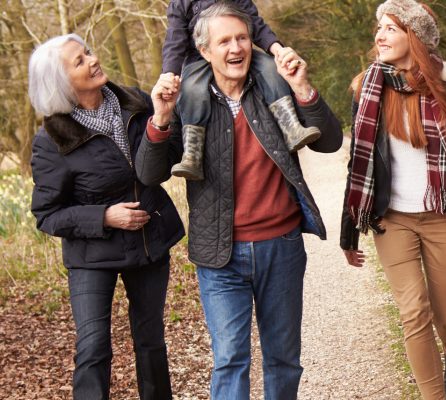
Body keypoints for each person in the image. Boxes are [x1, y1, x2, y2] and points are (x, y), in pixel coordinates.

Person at [135, 3, 343, 398]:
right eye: (225, 41)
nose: (236, 48)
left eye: (242, 38)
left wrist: (301, 87)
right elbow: (149, 174)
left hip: (280, 247)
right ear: (205, 51)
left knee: (283, 358)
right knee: (230, 359)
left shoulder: (271, 84)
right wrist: (160, 117)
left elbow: (330, 142)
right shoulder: (187, 100)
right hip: (219, 256)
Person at [339, 1, 446, 398]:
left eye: (391, 28)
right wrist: (348, 234)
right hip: (392, 220)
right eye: (379, 28)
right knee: (414, 313)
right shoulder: (367, 87)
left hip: (442, 216)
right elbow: (359, 163)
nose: (379, 36)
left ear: (415, 37)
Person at [28, 33, 185, 400]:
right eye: (79, 61)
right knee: (94, 345)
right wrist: (104, 217)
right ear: (60, 82)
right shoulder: (52, 138)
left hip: (149, 241)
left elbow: (169, 158)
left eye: (88, 52)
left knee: (150, 341)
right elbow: (47, 214)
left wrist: (164, 117)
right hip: (92, 255)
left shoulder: (136, 100)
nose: (93, 60)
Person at [160, 0, 320, 180]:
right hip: (199, 58)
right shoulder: (180, 4)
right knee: (191, 89)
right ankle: (192, 155)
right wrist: (169, 74)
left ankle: (291, 127)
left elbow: (255, 23)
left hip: (241, 52)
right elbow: (175, 40)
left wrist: (278, 50)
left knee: (270, 68)